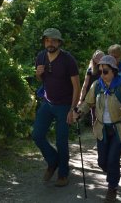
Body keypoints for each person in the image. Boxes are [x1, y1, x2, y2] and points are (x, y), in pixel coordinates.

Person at [73, 55, 121, 203]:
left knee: (113, 159)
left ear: (114, 71)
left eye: (105, 71)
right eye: (100, 70)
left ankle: (112, 187)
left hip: (119, 129)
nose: (102, 73)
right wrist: (79, 112)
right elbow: (88, 103)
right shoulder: (97, 85)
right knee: (102, 162)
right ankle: (113, 176)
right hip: (102, 128)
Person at [32, 28, 80, 187]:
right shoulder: (40, 56)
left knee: (61, 141)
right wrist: (38, 74)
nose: (50, 43)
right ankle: (53, 161)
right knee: (37, 135)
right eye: (47, 40)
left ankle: (63, 174)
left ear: (59, 42)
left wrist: (73, 109)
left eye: (53, 40)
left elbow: (76, 86)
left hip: (64, 106)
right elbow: (41, 79)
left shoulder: (68, 60)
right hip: (47, 103)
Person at [78, 50, 105, 125]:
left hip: (104, 96)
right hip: (93, 97)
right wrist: (81, 100)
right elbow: (85, 85)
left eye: (101, 57)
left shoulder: (107, 70)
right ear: (94, 59)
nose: (99, 59)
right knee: (95, 119)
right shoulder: (90, 70)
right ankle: (97, 135)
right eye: (97, 57)